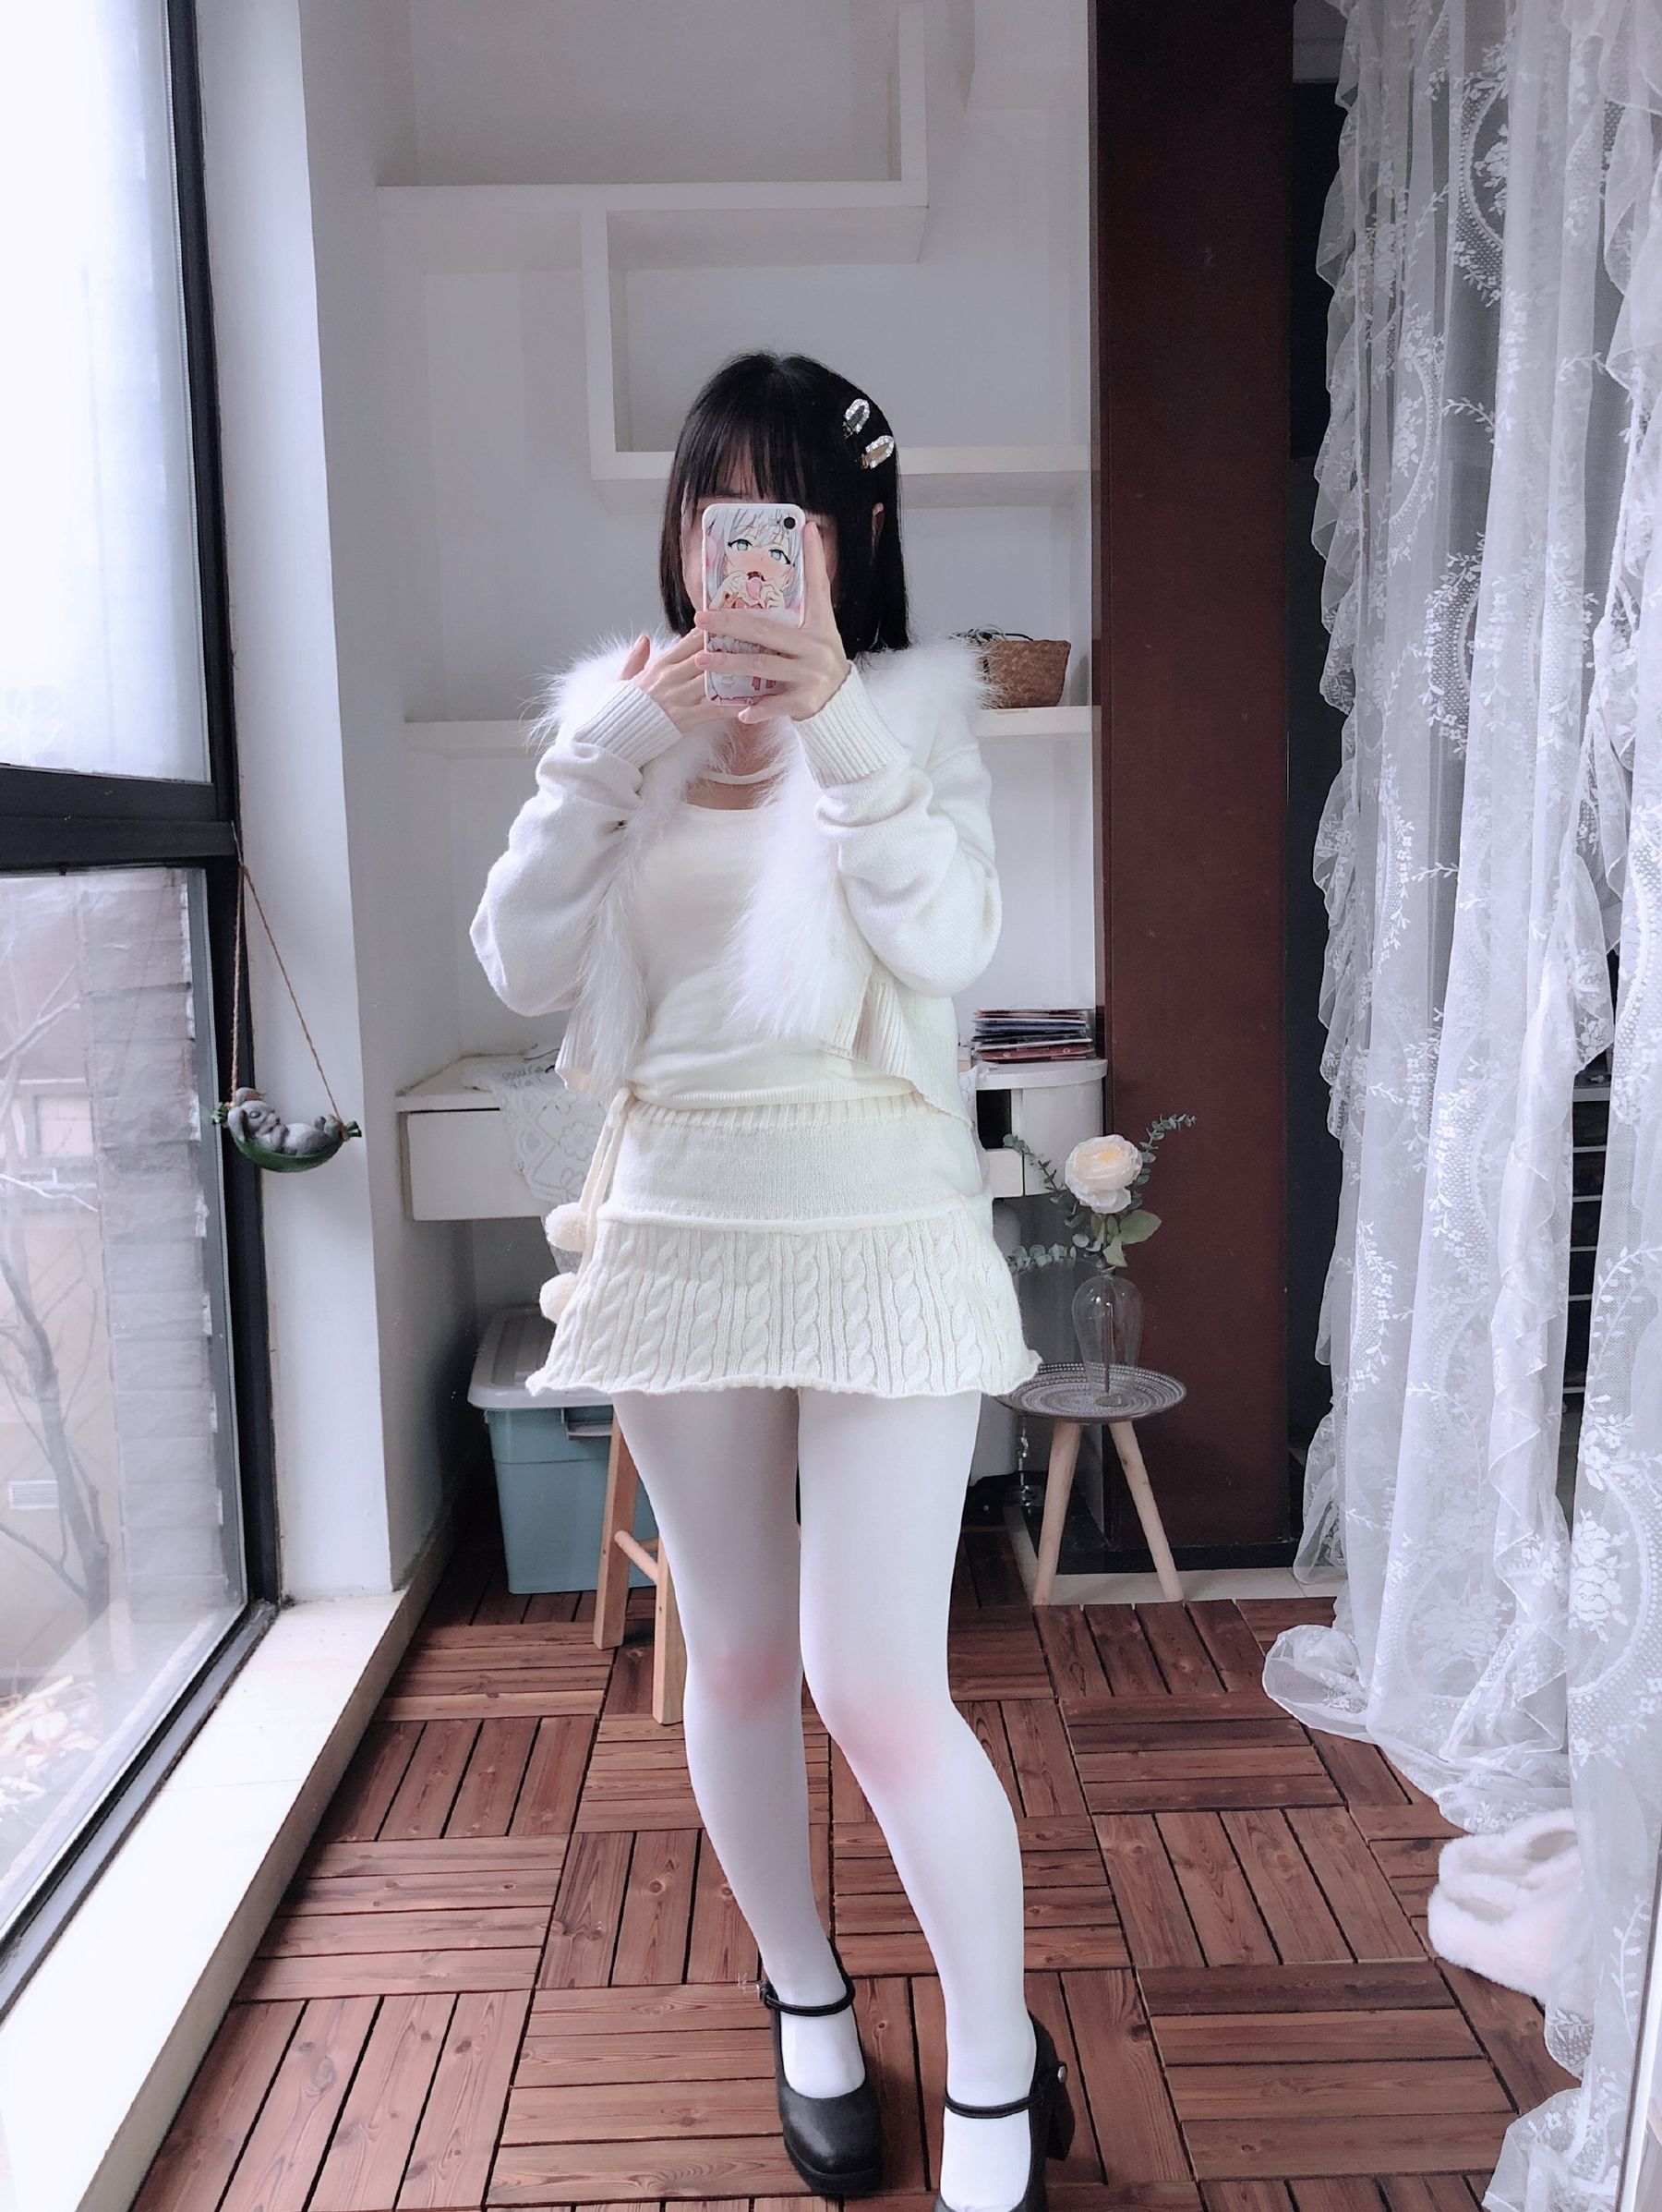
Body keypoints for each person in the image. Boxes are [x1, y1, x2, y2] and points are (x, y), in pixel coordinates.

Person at [470, 351, 1073, 2212]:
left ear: (849, 536)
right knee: (728, 1655)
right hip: (681, 1232)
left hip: (884, 1233)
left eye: (788, 509)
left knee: (874, 1679)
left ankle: (997, 2066)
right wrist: (611, 752)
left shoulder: (915, 714)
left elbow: (951, 939)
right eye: (719, 503)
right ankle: (807, 1997)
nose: (745, 544)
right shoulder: (620, 723)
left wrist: (841, 730)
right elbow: (517, 960)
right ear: (682, 529)